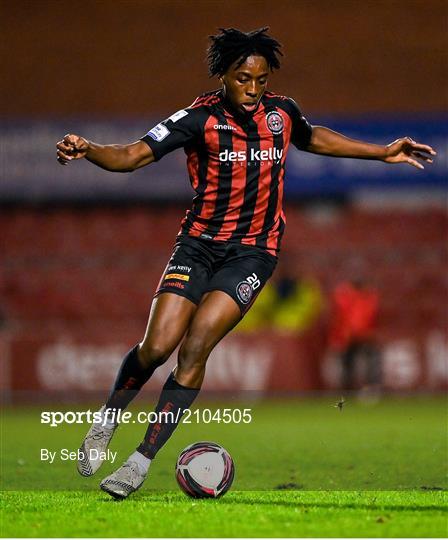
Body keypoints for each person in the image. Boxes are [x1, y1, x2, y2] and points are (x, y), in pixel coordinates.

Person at [56, 27, 435, 499]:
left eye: (261, 79)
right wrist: (89, 149)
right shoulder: (197, 119)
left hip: (254, 252)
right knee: (157, 347)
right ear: (223, 76)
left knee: (195, 349)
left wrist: (383, 152)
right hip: (197, 245)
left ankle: (140, 460)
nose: (253, 90)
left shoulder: (282, 112)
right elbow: (132, 156)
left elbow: (314, 138)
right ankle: (106, 422)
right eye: (243, 79)